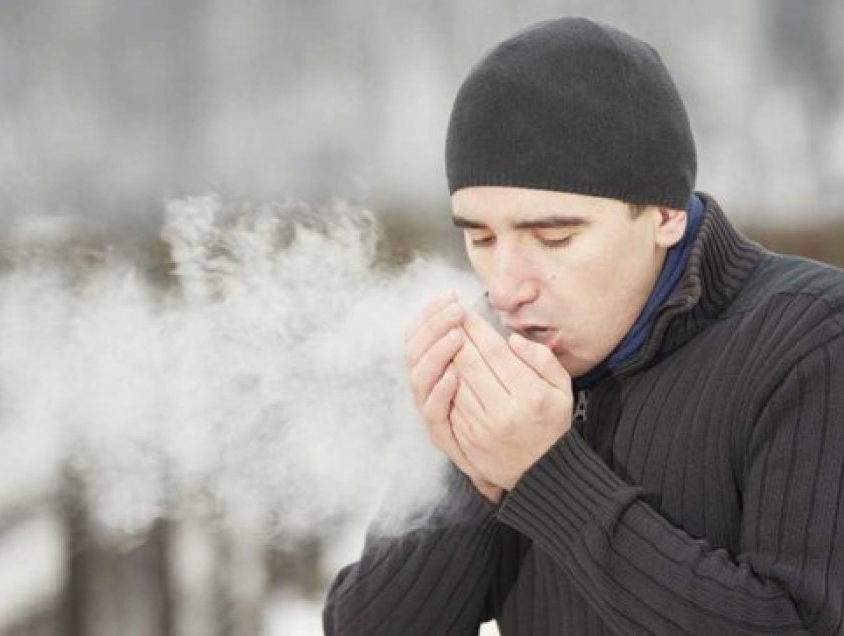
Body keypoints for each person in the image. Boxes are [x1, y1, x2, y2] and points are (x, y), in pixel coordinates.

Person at [323, 16, 844, 635]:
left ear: (665, 215)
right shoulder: (501, 355)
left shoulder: (813, 342)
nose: (507, 286)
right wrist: (472, 468)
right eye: (482, 237)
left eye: (554, 237)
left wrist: (546, 474)